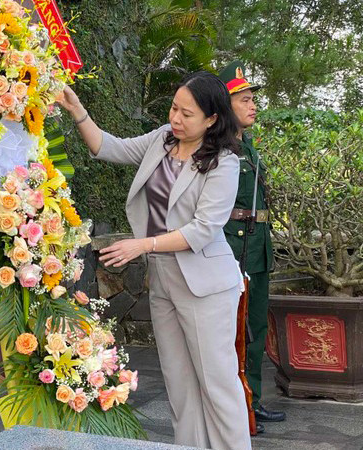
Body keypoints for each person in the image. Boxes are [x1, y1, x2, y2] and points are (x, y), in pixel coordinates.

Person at [57, 72, 251, 450]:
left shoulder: (224, 162)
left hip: (206, 285)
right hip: (164, 279)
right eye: (174, 108)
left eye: (187, 114)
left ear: (212, 118)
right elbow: (108, 147)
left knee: (217, 385)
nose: (175, 118)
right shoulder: (162, 139)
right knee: (179, 385)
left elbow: (202, 230)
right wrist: (77, 110)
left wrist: (142, 245)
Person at [219, 61, 286, 430]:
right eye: (243, 99)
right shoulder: (220, 149)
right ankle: (233, 408)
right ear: (224, 105)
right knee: (233, 333)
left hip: (257, 250)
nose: (253, 105)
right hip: (234, 250)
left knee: (256, 330)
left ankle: (251, 402)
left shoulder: (248, 147)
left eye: (252, 99)